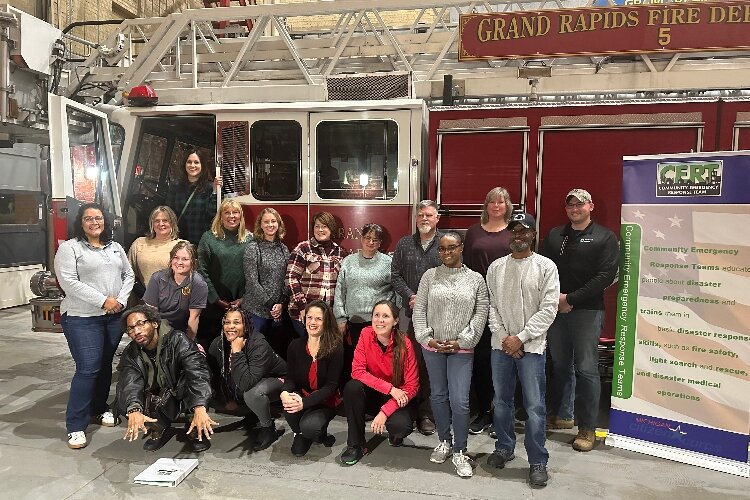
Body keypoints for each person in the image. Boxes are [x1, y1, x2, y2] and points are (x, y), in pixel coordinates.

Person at [540, 189, 618, 452]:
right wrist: (554, 300)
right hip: (555, 311)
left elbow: (605, 276)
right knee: (560, 364)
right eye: (570, 204)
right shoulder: (554, 235)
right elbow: (540, 269)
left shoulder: (605, 237)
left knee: (586, 369)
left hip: (587, 311)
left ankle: (587, 427)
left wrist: (571, 299)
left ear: (591, 206)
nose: (575, 208)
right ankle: (564, 415)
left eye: (580, 204)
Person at [485, 213, 559, 488]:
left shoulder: (546, 267)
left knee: (535, 407)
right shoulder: (495, 268)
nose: (518, 236)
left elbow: (549, 308)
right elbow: (491, 306)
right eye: (514, 231)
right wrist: (505, 338)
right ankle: (504, 447)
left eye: (524, 231)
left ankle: (538, 460)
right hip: (500, 346)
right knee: (501, 402)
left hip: (533, 347)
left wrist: (522, 338)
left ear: (533, 235)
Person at [54, 202, 135, 450]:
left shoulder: (115, 247)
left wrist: (120, 301)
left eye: (98, 218)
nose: (94, 222)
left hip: (112, 317)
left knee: (103, 366)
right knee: (88, 368)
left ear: (105, 221)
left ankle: (98, 410)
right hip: (81, 318)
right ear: (80, 222)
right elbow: (68, 282)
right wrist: (103, 301)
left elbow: (129, 275)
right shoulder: (70, 248)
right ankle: (75, 426)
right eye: (88, 219)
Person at [413, 232, 489, 478]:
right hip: (433, 347)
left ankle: (460, 450)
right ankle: (444, 441)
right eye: (442, 249)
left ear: (461, 248)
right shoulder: (429, 277)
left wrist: (462, 341)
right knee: (438, 396)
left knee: (460, 401)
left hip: (461, 350)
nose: (446, 253)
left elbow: (481, 314)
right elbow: (420, 310)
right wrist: (427, 338)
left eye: (452, 248)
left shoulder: (476, 279)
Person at [116, 305, 217, 452]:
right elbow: (129, 381)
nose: (136, 331)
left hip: (180, 389)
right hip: (159, 393)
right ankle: (158, 427)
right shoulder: (131, 352)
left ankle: (193, 425)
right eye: (131, 328)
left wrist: (200, 405)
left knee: (191, 382)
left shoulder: (178, 340)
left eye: (140, 324)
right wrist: (133, 409)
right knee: (133, 398)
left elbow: (198, 373)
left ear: (154, 323)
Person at [339, 300, 419, 466]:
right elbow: (357, 371)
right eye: (377, 315)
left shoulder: (405, 343)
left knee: (400, 426)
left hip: (398, 398)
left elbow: (412, 387)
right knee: (352, 387)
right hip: (378, 394)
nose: (380, 320)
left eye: (385, 316)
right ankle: (356, 444)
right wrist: (389, 389)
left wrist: (385, 412)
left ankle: (393, 432)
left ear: (395, 321)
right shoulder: (365, 334)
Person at [462, 187, 513, 436]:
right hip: (479, 301)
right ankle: (483, 411)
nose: (496, 206)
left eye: (501, 202)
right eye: (491, 201)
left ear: (507, 206)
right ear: (486, 205)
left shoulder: (515, 231)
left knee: (505, 359)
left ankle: (502, 415)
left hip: (507, 303)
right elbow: (466, 267)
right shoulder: (473, 232)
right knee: (481, 361)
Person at [391, 199, 443, 435]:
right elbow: (395, 275)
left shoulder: (446, 244)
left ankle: (427, 414)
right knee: (409, 363)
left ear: (437, 218)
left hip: (438, 317)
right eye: (421, 214)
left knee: (432, 366)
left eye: (429, 215)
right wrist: (411, 296)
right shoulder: (404, 244)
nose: (424, 218)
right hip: (410, 315)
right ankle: (408, 410)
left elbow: (452, 274)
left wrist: (428, 299)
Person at [207, 307, 287, 451]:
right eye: (227, 322)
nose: (231, 326)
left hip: (277, 382)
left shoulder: (258, 344)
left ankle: (268, 428)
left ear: (246, 325)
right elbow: (212, 376)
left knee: (252, 393)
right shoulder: (218, 344)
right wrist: (225, 398)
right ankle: (253, 413)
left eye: (237, 322)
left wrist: (237, 352)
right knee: (210, 395)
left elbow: (246, 383)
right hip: (247, 383)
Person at [333, 223, 395, 382]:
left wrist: (392, 316)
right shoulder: (348, 261)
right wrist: (340, 318)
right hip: (354, 322)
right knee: (357, 360)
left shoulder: (388, 263)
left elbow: (396, 291)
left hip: (379, 323)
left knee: (378, 362)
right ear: (361, 239)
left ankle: (378, 394)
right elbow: (340, 290)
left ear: (380, 243)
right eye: (367, 238)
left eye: (375, 239)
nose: (371, 242)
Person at [280, 301, 344, 457]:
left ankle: (315, 432)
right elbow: (290, 378)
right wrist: (284, 392)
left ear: (326, 322)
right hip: (302, 394)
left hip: (324, 400)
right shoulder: (295, 346)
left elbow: (331, 387)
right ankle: (299, 434)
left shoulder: (335, 348)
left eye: (318, 319)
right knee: (289, 405)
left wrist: (304, 403)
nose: (313, 323)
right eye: (309, 318)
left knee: (311, 426)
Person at [197, 198, 250, 346]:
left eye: (235, 212)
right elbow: (202, 271)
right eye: (227, 212)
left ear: (241, 216)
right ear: (220, 216)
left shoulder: (250, 239)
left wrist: (243, 299)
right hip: (213, 305)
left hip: (241, 304)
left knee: (240, 345)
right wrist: (216, 299)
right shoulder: (208, 238)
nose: (231, 216)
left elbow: (254, 273)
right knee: (213, 346)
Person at [286, 212, 347, 337]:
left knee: (324, 352)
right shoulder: (303, 248)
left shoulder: (341, 253)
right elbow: (291, 278)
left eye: (324, 226)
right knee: (305, 352)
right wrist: (303, 307)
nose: (320, 230)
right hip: (302, 314)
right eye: (317, 226)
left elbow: (343, 286)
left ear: (331, 228)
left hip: (327, 316)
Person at [242, 207, 291, 356]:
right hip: (256, 311)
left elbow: (287, 279)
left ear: (278, 224)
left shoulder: (283, 249)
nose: (270, 225)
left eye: (273, 221)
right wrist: (271, 305)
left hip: (277, 311)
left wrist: (281, 304)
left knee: (275, 352)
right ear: (260, 225)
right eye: (266, 222)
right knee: (255, 352)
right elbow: (251, 281)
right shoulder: (253, 248)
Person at [143, 241, 208, 340]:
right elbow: (151, 315)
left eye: (185, 259)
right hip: (157, 328)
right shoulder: (157, 278)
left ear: (193, 262)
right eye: (176, 257)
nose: (179, 262)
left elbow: (193, 318)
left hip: (182, 331)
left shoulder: (198, 283)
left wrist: (189, 345)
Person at [127, 206, 184, 303]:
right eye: (157, 221)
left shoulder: (181, 245)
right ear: (152, 223)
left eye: (165, 220)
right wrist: (140, 290)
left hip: (172, 302)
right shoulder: (139, 243)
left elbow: (188, 278)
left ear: (172, 223)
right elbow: (128, 271)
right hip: (143, 300)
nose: (161, 224)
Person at [166, 150, 221, 246]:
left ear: (202, 165)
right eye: (189, 162)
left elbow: (212, 215)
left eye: (196, 162)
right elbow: (168, 212)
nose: (192, 165)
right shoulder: (175, 186)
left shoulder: (209, 187)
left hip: (200, 241)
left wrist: (215, 191)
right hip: (177, 240)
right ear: (185, 164)